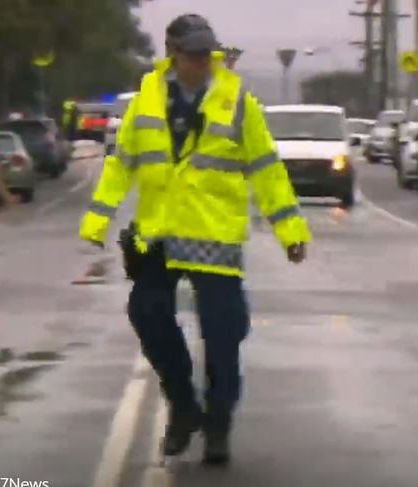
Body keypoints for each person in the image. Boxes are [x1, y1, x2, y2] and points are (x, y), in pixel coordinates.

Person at [79, 13, 311, 466]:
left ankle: (219, 422)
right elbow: (121, 163)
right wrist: (97, 221)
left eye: (207, 53)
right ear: (172, 53)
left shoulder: (236, 100)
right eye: (192, 54)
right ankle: (183, 405)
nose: (201, 62)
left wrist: (291, 231)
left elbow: (266, 170)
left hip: (214, 235)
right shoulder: (146, 99)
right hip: (159, 232)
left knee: (223, 334)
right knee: (147, 313)